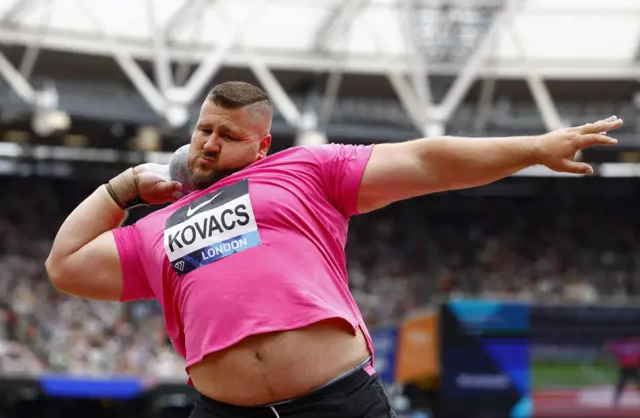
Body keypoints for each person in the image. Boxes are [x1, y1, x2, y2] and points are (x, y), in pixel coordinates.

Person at [44, 81, 623, 418]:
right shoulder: (155, 226)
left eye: (229, 134)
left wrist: (533, 147)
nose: (210, 143)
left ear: (262, 144)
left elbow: (427, 160)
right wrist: (122, 187)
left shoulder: (305, 169)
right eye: (204, 130)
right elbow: (65, 264)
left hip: (336, 402)